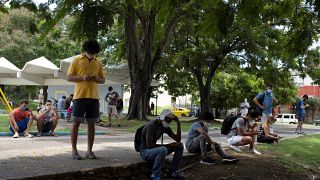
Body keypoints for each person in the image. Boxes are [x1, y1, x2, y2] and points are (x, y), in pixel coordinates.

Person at [67, 39, 105, 160]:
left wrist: (96, 79)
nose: (92, 54)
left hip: (94, 97)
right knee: (76, 123)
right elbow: (69, 77)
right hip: (79, 96)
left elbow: (103, 80)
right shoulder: (77, 60)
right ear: (86, 50)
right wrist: (82, 77)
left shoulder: (98, 62)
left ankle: (89, 151)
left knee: (91, 124)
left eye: (94, 52)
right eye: (91, 51)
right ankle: (74, 151)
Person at [140, 109, 185, 179]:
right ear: (163, 118)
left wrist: (178, 123)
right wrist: (168, 145)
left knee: (179, 146)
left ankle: (173, 171)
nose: (169, 122)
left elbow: (178, 140)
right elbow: (149, 145)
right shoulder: (151, 125)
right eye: (168, 120)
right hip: (145, 152)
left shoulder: (164, 126)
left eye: (170, 120)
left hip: (154, 150)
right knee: (163, 150)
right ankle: (155, 174)